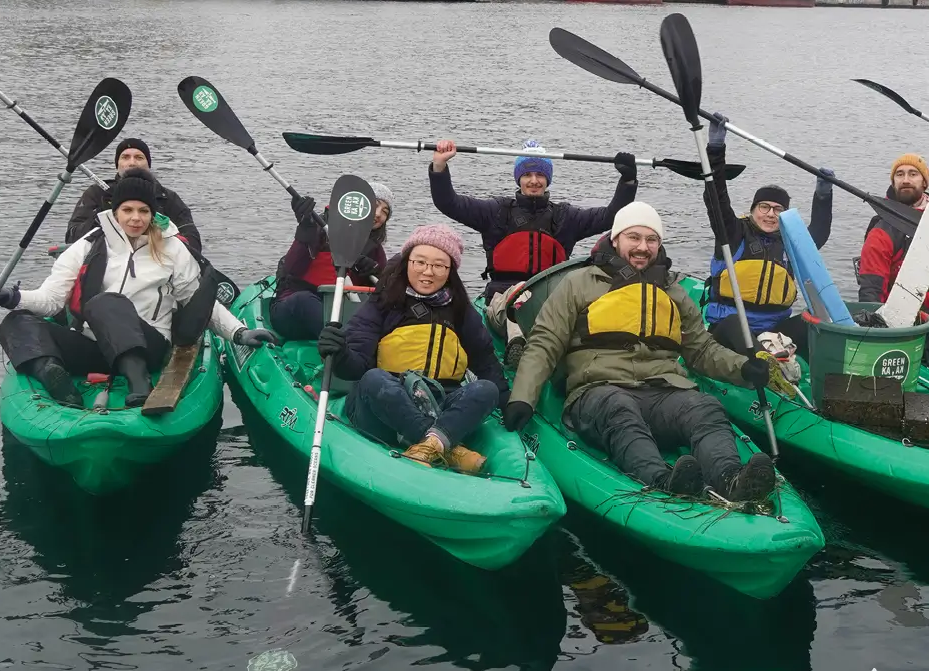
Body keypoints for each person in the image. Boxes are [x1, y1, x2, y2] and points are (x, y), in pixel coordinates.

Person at [502, 201, 791, 504]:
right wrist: (522, 398)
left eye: (651, 239)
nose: (643, 247)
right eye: (634, 237)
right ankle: (661, 480)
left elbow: (701, 350)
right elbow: (544, 344)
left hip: (663, 391)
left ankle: (732, 478)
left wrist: (744, 368)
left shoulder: (673, 291)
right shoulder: (579, 284)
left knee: (704, 407)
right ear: (616, 240)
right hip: (598, 392)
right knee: (618, 406)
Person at [0, 170, 273, 408]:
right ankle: (56, 379)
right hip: (96, 346)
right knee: (16, 322)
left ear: (152, 213)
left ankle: (139, 382)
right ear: (115, 212)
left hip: (148, 345)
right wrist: (12, 298)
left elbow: (199, 302)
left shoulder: (172, 249)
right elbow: (52, 299)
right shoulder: (90, 244)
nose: (136, 218)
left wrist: (239, 333)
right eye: (128, 210)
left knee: (104, 302)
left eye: (144, 211)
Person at [429, 137, 638, 363]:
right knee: (518, 296)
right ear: (519, 178)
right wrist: (440, 166)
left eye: (540, 175)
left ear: (548, 179)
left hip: (551, 301)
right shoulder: (496, 213)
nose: (534, 181)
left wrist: (627, 181)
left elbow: (611, 216)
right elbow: (449, 203)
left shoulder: (566, 218)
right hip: (503, 300)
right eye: (527, 175)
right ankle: (516, 343)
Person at [317, 224, 503, 473]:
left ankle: (429, 445)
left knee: (486, 389)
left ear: (450, 271)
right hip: (384, 407)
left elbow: (485, 362)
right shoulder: (382, 303)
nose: (428, 272)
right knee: (373, 378)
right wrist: (339, 352)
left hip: (439, 402)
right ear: (408, 263)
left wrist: (510, 401)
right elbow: (355, 366)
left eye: (439, 265)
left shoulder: (461, 311)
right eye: (420, 262)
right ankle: (447, 448)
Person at [703, 116, 832, 357]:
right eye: (764, 207)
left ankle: (822, 374)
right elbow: (715, 197)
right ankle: (767, 363)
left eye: (778, 209)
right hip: (728, 329)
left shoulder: (791, 243)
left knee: (816, 325)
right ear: (752, 210)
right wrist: (716, 149)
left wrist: (824, 194)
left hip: (774, 330)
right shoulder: (732, 233)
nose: (770, 214)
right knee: (735, 325)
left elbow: (820, 232)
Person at [858, 153, 929, 375]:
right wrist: (877, 325)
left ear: (924, 183)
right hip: (905, 307)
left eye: (912, 174)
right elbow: (871, 284)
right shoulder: (882, 230)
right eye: (899, 175)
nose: (905, 179)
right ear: (893, 182)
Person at [269, 182, 393, 341]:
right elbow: (292, 269)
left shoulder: (375, 250)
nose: (378, 214)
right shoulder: (317, 229)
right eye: (374, 205)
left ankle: (350, 347)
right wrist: (305, 230)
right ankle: (343, 345)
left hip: (340, 314)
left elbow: (384, 293)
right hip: (295, 311)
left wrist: (374, 271)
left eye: (385, 212)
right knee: (304, 301)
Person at [65, 138, 202, 251]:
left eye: (139, 157)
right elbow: (72, 236)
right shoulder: (97, 194)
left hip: (157, 260)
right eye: (125, 157)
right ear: (117, 164)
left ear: (148, 164)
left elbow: (193, 240)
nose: (132, 163)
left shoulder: (168, 198)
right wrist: (102, 216)